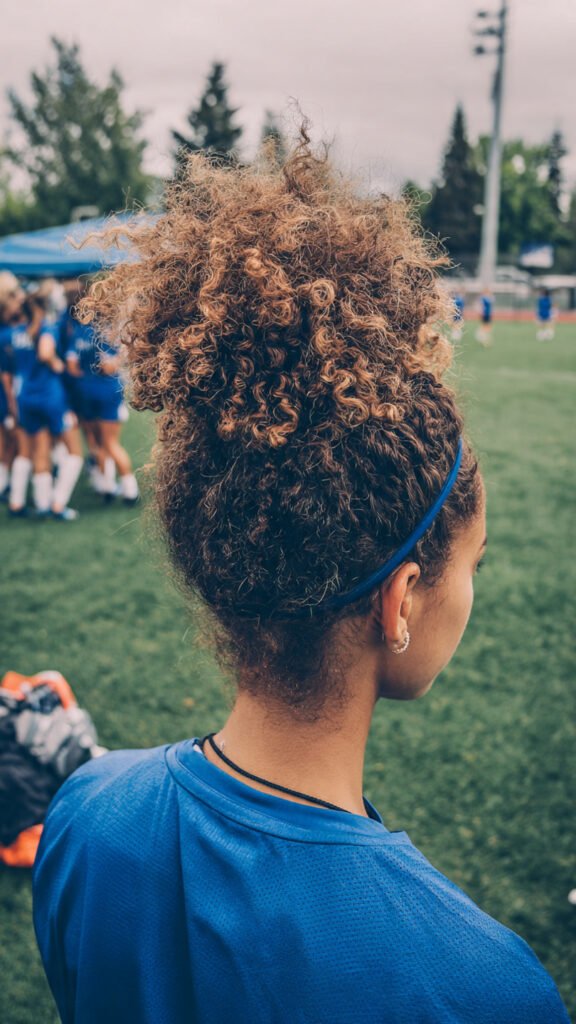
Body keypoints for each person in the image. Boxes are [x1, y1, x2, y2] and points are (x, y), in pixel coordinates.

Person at [33, 136, 569, 1023]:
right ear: (399, 602)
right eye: (472, 565)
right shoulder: (484, 988)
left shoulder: (86, 820)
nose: (472, 593)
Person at [0, 273, 83, 520]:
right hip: (50, 397)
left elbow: (8, 372)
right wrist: (57, 364)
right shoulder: (46, 327)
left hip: (25, 397)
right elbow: (46, 352)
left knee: (38, 450)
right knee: (74, 452)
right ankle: (58, 504)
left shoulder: (11, 334)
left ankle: (42, 503)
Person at [61, 282, 139, 505]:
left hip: (85, 391)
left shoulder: (78, 332)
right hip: (108, 391)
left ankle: (106, 487)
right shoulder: (108, 331)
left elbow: (72, 367)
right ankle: (129, 490)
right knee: (111, 443)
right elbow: (117, 361)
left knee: (95, 443)